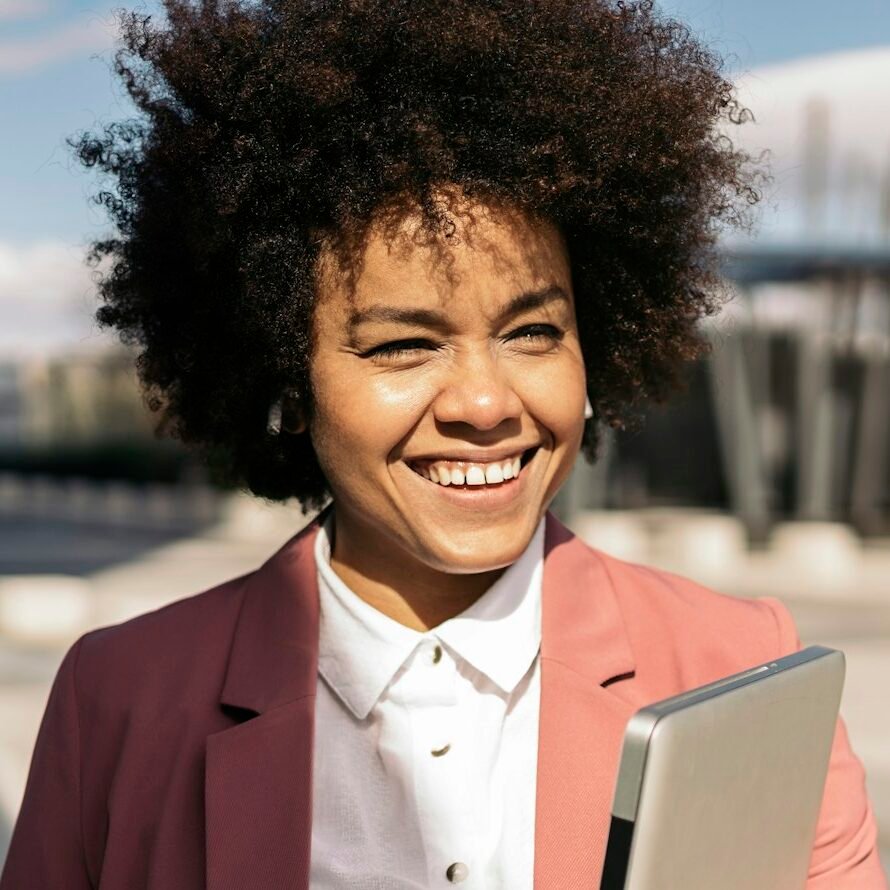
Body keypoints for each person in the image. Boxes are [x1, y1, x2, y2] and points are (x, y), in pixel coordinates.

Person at [2, 1, 886, 888]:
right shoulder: (117, 702)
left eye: (533, 332)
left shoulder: (742, 673)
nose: (484, 400)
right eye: (402, 345)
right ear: (289, 382)